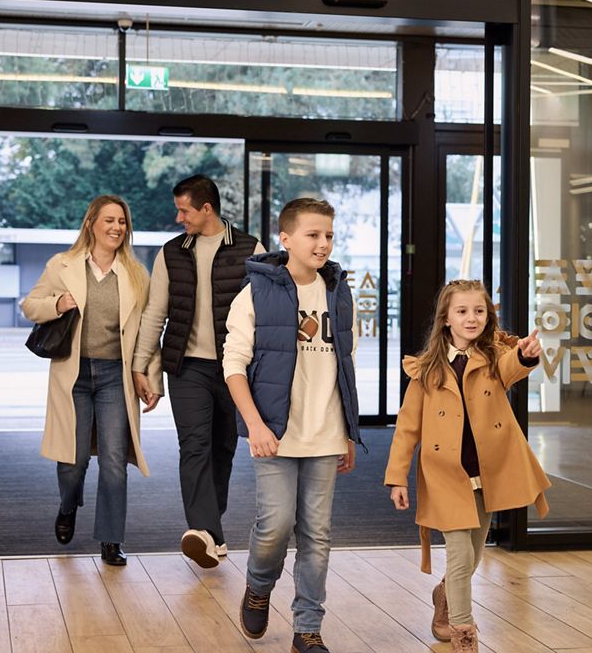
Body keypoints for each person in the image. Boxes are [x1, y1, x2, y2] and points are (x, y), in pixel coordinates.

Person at [223, 197, 361, 653]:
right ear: (286, 239)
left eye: (329, 235)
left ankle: (308, 629)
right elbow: (234, 365)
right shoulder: (255, 292)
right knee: (275, 526)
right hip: (275, 435)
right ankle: (259, 585)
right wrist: (256, 426)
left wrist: (348, 431)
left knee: (317, 536)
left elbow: (346, 365)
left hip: (326, 433)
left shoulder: (339, 292)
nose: (323, 244)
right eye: (313, 235)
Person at [384, 279, 551, 653]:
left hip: (487, 474)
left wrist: (525, 355)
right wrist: (397, 478)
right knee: (460, 557)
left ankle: (444, 595)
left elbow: (513, 366)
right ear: (446, 318)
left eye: (479, 311)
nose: (471, 318)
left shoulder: (493, 358)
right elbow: (407, 427)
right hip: (445, 474)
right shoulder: (426, 369)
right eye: (462, 311)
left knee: (473, 556)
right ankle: (464, 636)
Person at [22, 194, 162, 566]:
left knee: (114, 461)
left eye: (122, 222)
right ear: (91, 224)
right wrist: (57, 304)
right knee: (73, 461)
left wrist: (151, 378)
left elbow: (148, 332)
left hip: (116, 375)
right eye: (109, 220)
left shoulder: (136, 273)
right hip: (74, 374)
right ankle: (68, 505)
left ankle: (111, 539)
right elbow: (30, 305)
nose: (117, 227)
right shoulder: (63, 265)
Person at [132, 174, 263, 568]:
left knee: (223, 448)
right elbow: (155, 312)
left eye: (184, 210)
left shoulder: (251, 248)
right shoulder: (171, 252)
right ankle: (204, 531)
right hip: (187, 367)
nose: (179, 218)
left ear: (207, 209)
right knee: (194, 446)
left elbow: (266, 312)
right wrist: (141, 365)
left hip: (234, 369)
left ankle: (210, 531)